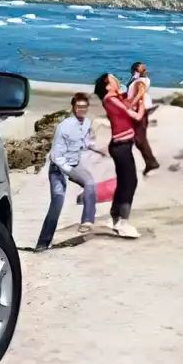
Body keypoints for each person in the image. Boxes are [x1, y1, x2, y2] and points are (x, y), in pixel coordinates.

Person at [35, 92, 105, 251]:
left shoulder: (87, 123)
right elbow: (56, 155)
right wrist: (69, 171)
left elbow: (85, 142)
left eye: (84, 107)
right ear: (73, 108)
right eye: (78, 107)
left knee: (90, 182)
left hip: (74, 164)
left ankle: (87, 221)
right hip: (58, 167)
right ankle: (42, 244)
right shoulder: (64, 126)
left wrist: (100, 149)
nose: (82, 110)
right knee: (57, 203)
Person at [96, 73, 141, 239]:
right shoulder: (111, 99)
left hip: (122, 145)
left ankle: (115, 217)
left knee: (124, 182)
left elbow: (128, 105)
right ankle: (123, 222)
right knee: (130, 182)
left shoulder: (114, 98)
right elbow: (136, 115)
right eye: (112, 78)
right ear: (107, 85)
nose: (116, 79)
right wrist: (141, 102)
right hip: (121, 146)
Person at [126, 60, 161, 174]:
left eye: (144, 69)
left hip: (140, 111)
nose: (145, 70)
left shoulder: (141, 81)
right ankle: (150, 162)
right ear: (135, 70)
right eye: (142, 69)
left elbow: (140, 93)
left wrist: (130, 104)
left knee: (140, 138)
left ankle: (151, 162)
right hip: (140, 110)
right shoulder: (138, 80)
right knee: (139, 138)